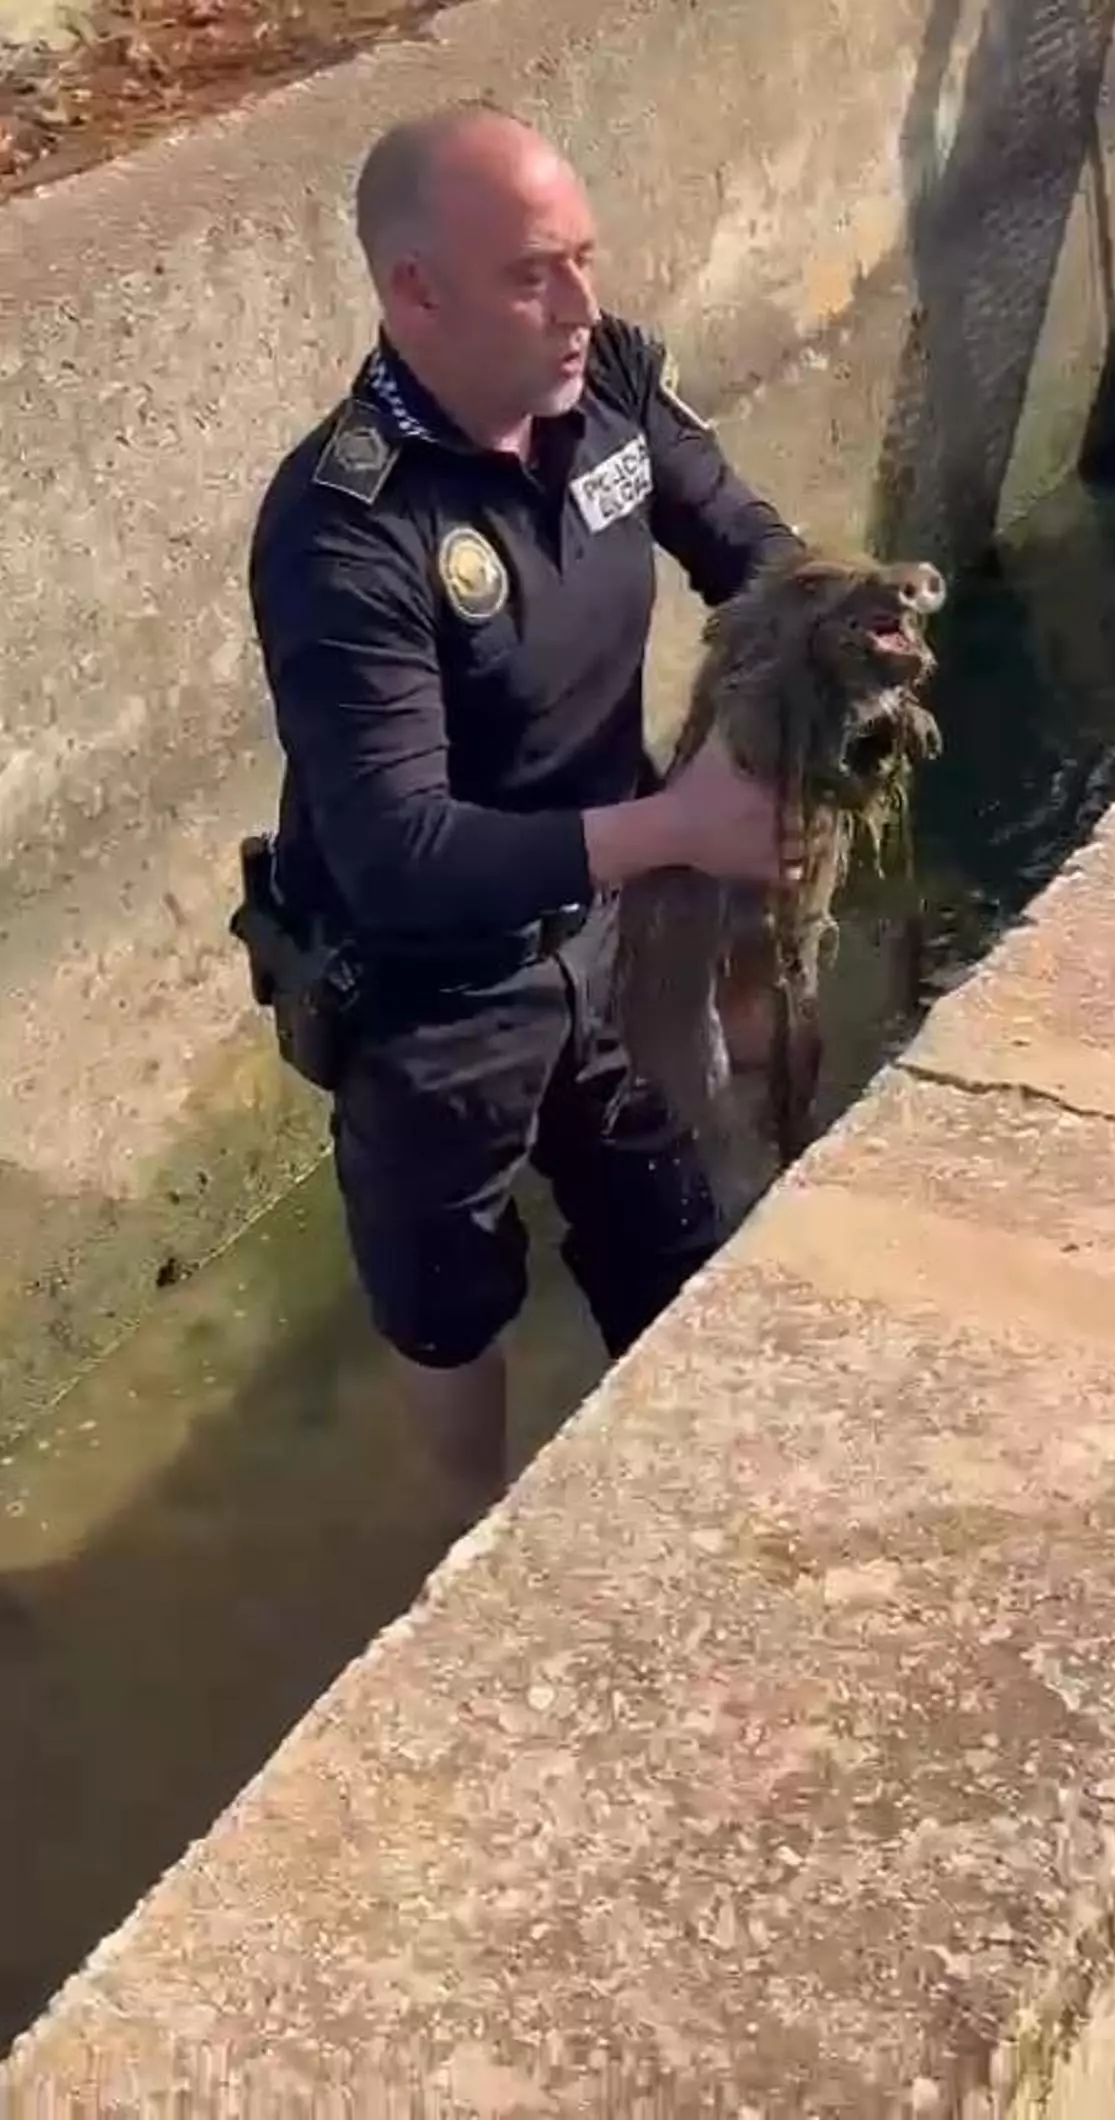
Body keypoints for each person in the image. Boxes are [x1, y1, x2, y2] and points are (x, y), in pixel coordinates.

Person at [247, 99, 807, 1524]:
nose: (579, 307)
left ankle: (696, 1524)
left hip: (612, 951)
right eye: (530, 274)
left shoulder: (610, 379)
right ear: (412, 289)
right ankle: (462, 1570)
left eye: (585, 259)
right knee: (452, 1325)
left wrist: (835, 640)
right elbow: (400, 852)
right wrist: (682, 829)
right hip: (431, 1007)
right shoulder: (342, 527)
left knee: (678, 1268)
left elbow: (748, 546)